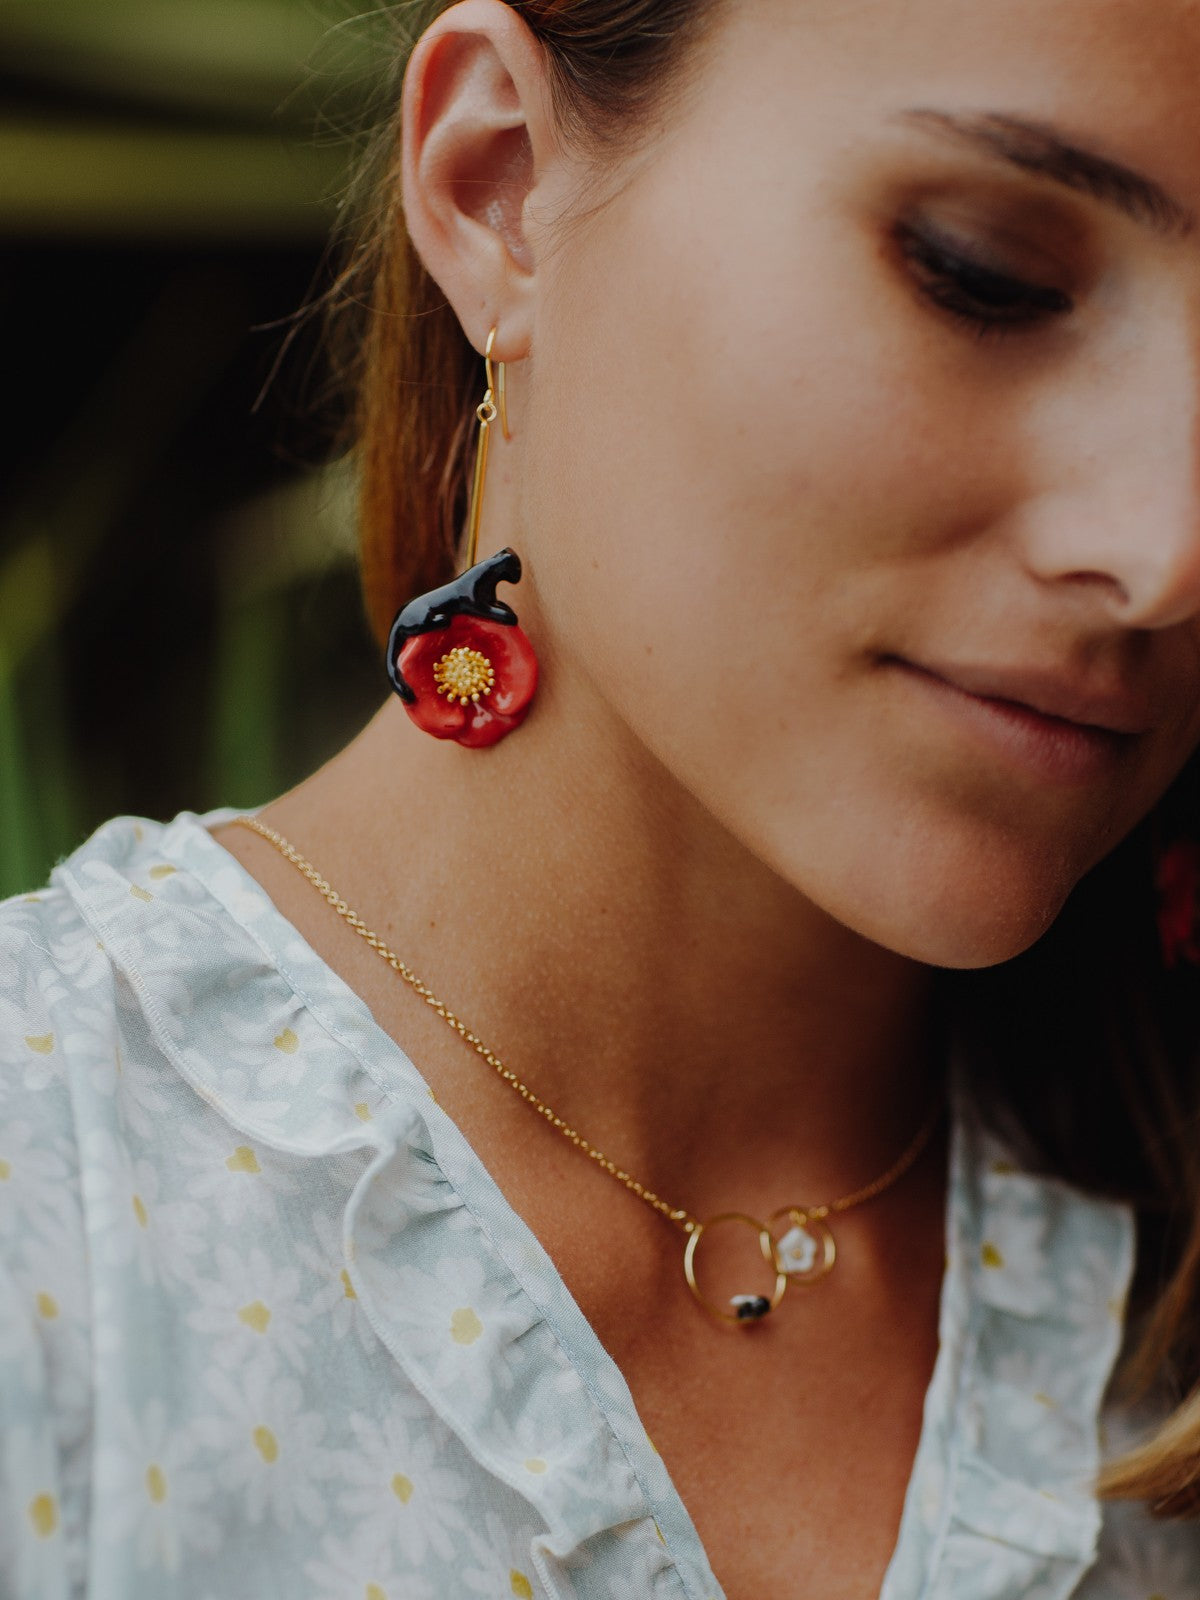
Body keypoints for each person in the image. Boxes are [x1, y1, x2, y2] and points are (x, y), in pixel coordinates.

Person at [4, 0, 1200, 1594]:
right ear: (499, 184)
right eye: (986, 274)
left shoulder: (1152, 1260)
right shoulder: (51, 1192)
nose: (1163, 552)